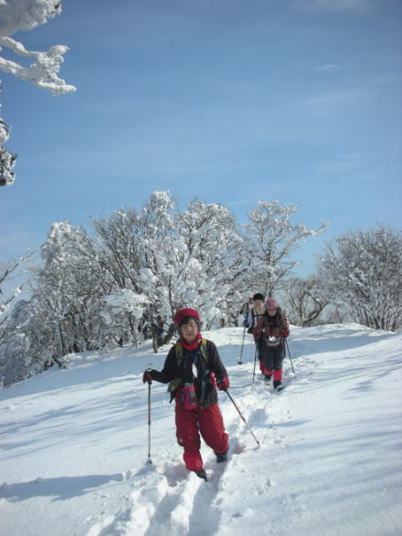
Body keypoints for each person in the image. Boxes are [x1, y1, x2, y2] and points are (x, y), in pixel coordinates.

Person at [143, 307, 229, 481]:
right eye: (184, 327)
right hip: (184, 398)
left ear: (197, 326)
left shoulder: (208, 346)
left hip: (206, 396)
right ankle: (195, 466)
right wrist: (153, 375)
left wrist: (222, 379)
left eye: (192, 325)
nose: (189, 329)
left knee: (213, 431)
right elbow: (167, 375)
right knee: (187, 434)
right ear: (179, 330)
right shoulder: (175, 351)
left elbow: (218, 368)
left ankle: (221, 449)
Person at [254, 297, 289, 389]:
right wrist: (257, 333)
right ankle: (268, 375)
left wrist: (284, 332)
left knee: (278, 364)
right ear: (266, 310)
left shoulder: (280, 318)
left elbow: (286, 331)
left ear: (276, 309)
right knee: (269, 365)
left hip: (279, 345)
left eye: (274, 309)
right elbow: (256, 331)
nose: (272, 311)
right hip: (267, 346)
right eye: (270, 309)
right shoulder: (263, 319)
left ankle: (277, 383)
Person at [246, 293, 267, 374]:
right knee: (260, 350)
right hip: (257, 333)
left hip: (268, 332)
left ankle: (269, 367)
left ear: (263, 302)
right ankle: (263, 368)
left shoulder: (267, 309)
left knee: (268, 349)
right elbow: (250, 321)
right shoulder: (252, 311)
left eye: (259, 302)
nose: (257, 304)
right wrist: (247, 323)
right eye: (255, 302)